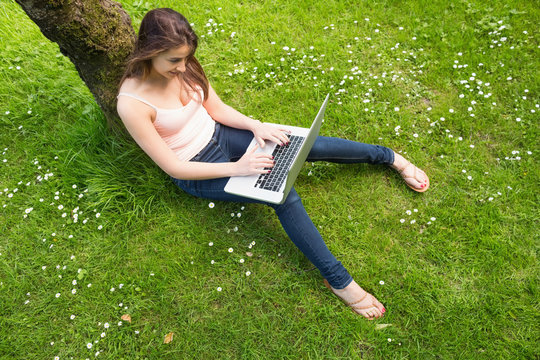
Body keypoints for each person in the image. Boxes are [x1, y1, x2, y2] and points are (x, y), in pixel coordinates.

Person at [117, 8, 429, 320]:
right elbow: (173, 167)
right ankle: (338, 280)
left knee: (300, 146)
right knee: (282, 193)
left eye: (186, 58)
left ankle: (387, 156)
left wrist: (255, 126)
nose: (183, 67)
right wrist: (238, 168)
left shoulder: (185, 67)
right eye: (174, 61)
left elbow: (217, 108)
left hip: (221, 134)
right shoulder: (132, 104)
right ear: (151, 52)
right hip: (196, 169)